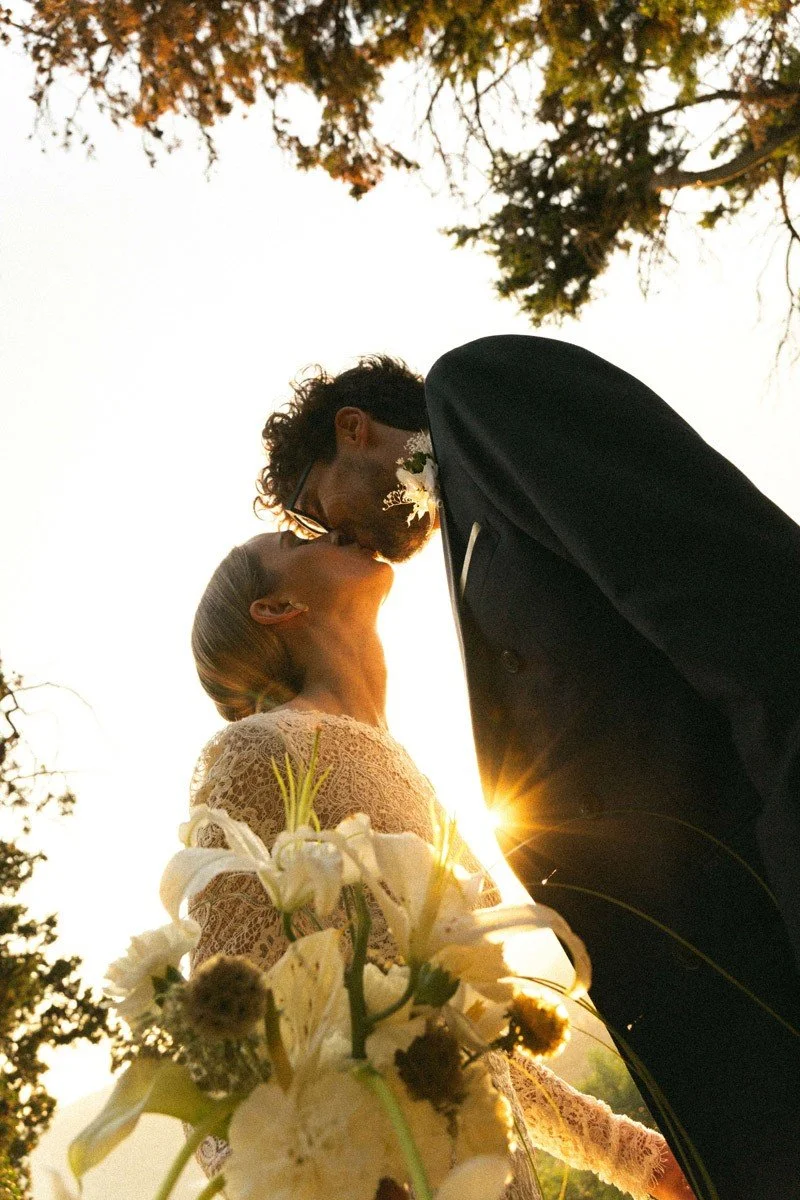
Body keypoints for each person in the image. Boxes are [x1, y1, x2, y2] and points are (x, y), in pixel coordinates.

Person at [256, 339, 800, 1198]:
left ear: (354, 429)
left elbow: (751, 614)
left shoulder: (483, 392)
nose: (341, 540)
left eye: (323, 510)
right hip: (737, 1035)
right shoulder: (472, 521)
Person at [187, 528, 694, 1199]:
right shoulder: (259, 754)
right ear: (277, 608)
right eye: (293, 539)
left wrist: (630, 1155)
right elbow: (221, 1043)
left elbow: (477, 1035)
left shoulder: (416, 777)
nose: (326, 532)